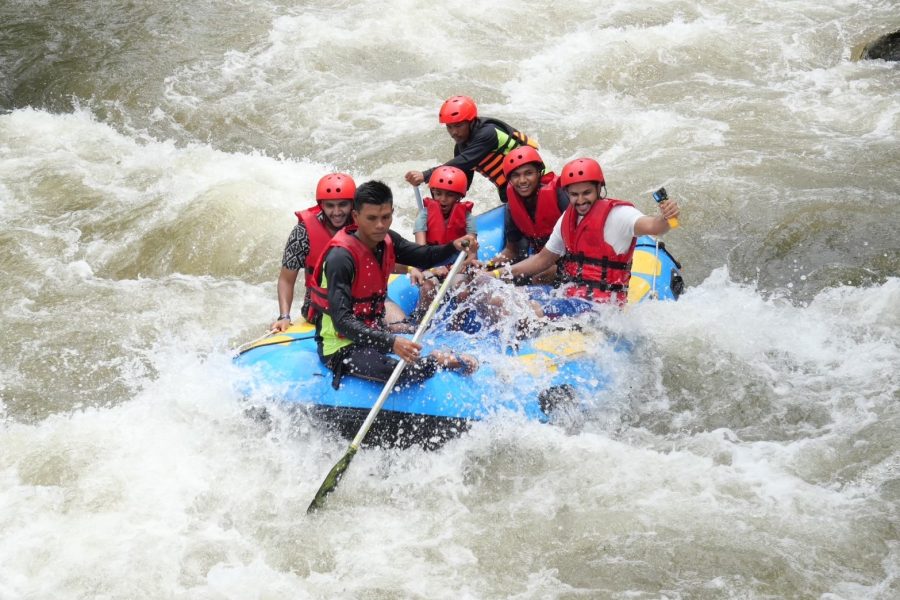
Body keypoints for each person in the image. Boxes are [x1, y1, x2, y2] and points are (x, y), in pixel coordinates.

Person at [308, 180, 479, 390]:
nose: (380, 225)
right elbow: (342, 322)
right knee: (408, 374)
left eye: (385, 217)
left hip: (373, 332)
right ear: (355, 217)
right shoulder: (340, 258)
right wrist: (391, 343)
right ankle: (438, 359)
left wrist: (453, 247)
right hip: (341, 345)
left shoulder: (387, 239)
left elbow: (423, 257)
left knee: (408, 334)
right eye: (371, 218)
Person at [486, 157, 680, 317]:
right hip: (569, 295)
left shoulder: (620, 214)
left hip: (601, 307)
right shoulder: (568, 218)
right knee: (499, 298)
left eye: (586, 193)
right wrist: (496, 274)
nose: (580, 200)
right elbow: (543, 259)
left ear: (598, 188)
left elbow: (653, 226)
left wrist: (665, 218)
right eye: (574, 195)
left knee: (529, 310)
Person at [271, 173, 404, 332]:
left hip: (367, 300)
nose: (337, 211)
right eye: (330, 205)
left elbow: (384, 261)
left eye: (342, 204)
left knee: (401, 327)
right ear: (321, 205)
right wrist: (284, 316)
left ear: (353, 206)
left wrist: (412, 268)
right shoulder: (302, 233)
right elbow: (286, 279)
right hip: (323, 306)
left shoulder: (366, 223)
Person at [404, 95, 538, 203]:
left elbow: (465, 161)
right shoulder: (461, 147)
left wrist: (426, 175)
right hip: (512, 188)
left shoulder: (488, 133)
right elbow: (462, 185)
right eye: (449, 127)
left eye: (458, 126)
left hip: (536, 181)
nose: (453, 132)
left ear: (471, 121)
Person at [486, 146, 568, 284]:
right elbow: (512, 250)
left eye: (528, 173)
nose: (522, 180)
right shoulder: (512, 205)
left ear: (539, 173)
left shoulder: (560, 195)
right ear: (510, 179)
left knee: (538, 277)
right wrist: (488, 266)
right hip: (541, 257)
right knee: (508, 280)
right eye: (516, 175)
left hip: (568, 258)